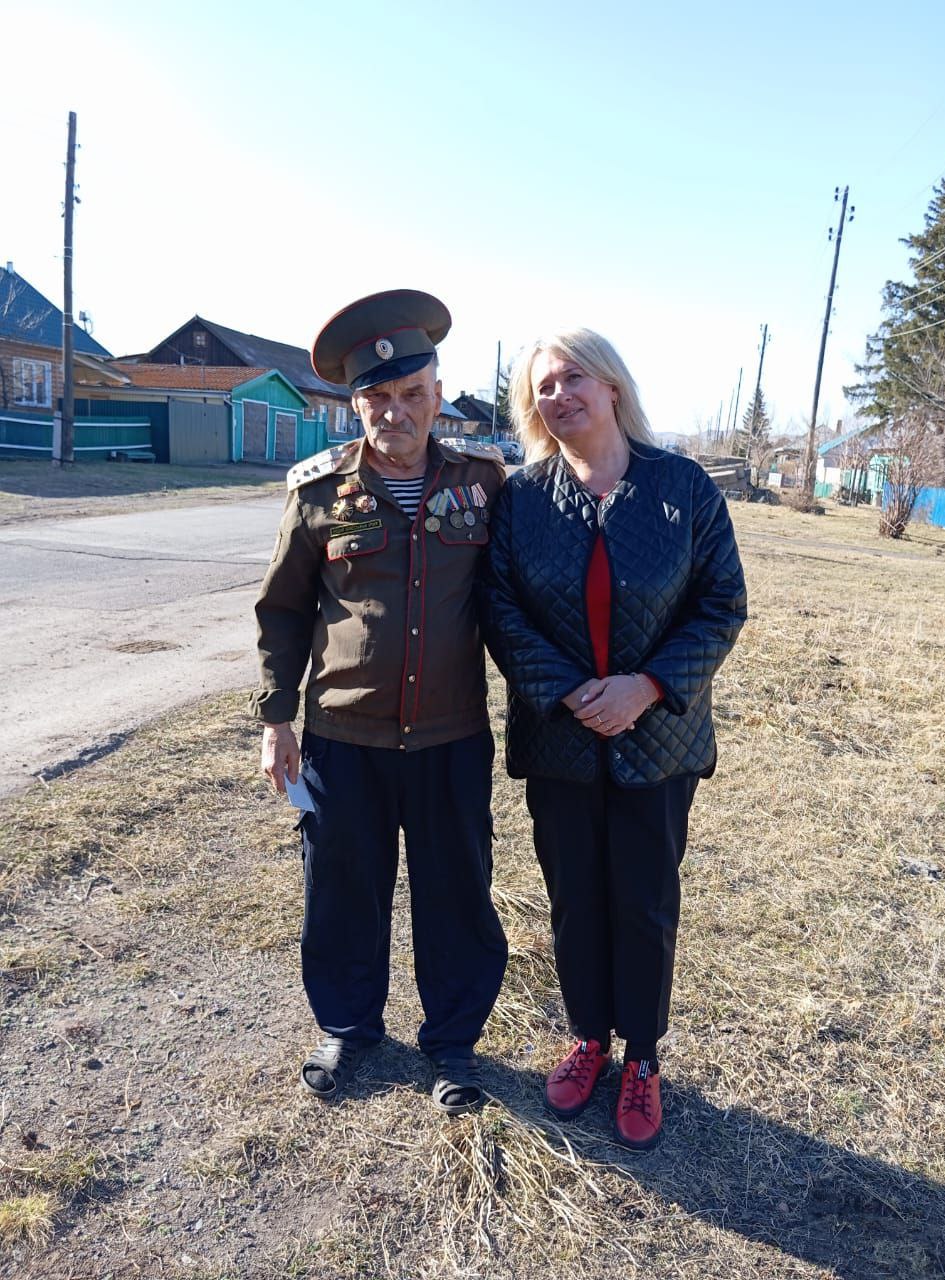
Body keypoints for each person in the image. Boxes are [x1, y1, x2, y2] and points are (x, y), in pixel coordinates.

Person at [479, 328, 747, 1149]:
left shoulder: (683, 489)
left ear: (611, 387)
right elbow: (500, 611)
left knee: (643, 901)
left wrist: (646, 687)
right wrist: (566, 692)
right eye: (542, 387)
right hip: (560, 739)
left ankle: (641, 1057)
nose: (558, 397)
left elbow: (720, 604)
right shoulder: (522, 499)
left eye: (572, 379)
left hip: (656, 743)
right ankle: (588, 1038)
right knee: (575, 902)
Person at [250, 289, 508, 1116]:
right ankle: (348, 1028)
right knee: (341, 888)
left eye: (410, 395)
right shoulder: (318, 492)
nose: (393, 413)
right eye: (376, 399)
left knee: (455, 892)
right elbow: (283, 609)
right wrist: (274, 718)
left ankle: (452, 1044)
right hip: (341, 737)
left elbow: (519, 599)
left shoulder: (485, 485)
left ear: (437, 394)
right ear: (354, 402)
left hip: (450, 735)